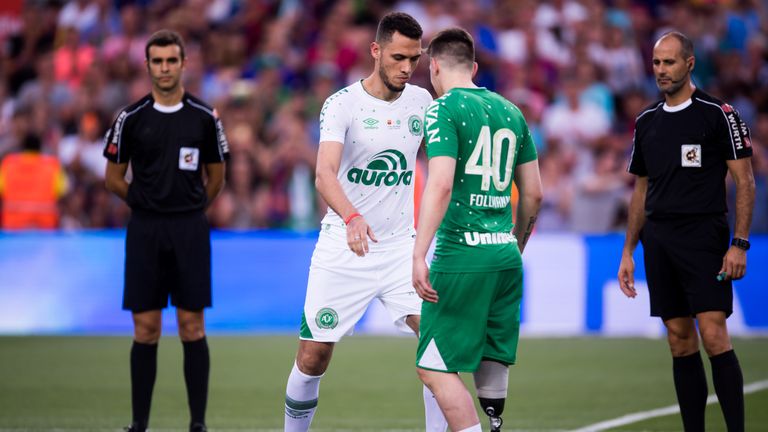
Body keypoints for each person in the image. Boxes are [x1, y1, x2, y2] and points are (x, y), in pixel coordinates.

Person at [283, 12, 447, 432]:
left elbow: (444, 168)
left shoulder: (423, 102)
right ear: (375, 51)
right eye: (397, 57)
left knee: (437, 345)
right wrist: (352, 216)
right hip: (344, 244)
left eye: (414, 59)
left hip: (399, 249)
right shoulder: (342, 104)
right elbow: (324, 173)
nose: (407, 68)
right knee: (313, 357)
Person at [618, 31, 754, 432]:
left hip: (705, 237)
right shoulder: (646, 121)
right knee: (679, 339)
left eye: (670, 62)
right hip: (658, 240)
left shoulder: (718, 114)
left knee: (713, 334)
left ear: (689, 63)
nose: (661, 70)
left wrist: (739, 244)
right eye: (657, 63)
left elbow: (745, 182)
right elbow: (641, 189)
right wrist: (628, 250)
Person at [413, 28, 542, 432]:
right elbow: (535, 194)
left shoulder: (443, 109)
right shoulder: (511, 110)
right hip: (504, 253)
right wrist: (515, 242)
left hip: (461, 254)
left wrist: (419, 253)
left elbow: (442, 183)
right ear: (474, 67)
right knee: (490, 357)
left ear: (433, 66)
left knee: (433, 367)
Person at [103, 29, 229, 432]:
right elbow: (113, 177)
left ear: (183, 63)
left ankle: (197, 424)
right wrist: (148, 203)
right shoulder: (130, 118)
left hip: (190, 230)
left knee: (192, 324)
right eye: (157, 61)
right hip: (145, 231)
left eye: (171, 60)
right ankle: (139, 424)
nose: (164, 68)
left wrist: (188, 208)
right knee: (147, 327)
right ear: (147, 66)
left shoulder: (204, 117)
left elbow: (217, 177)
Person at [0, 133, 67, 229]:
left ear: (23, 148)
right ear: (40, 148)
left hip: (12, 228)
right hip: (45, 228)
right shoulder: (53, 166)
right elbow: (63, 191)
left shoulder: (7, 164)